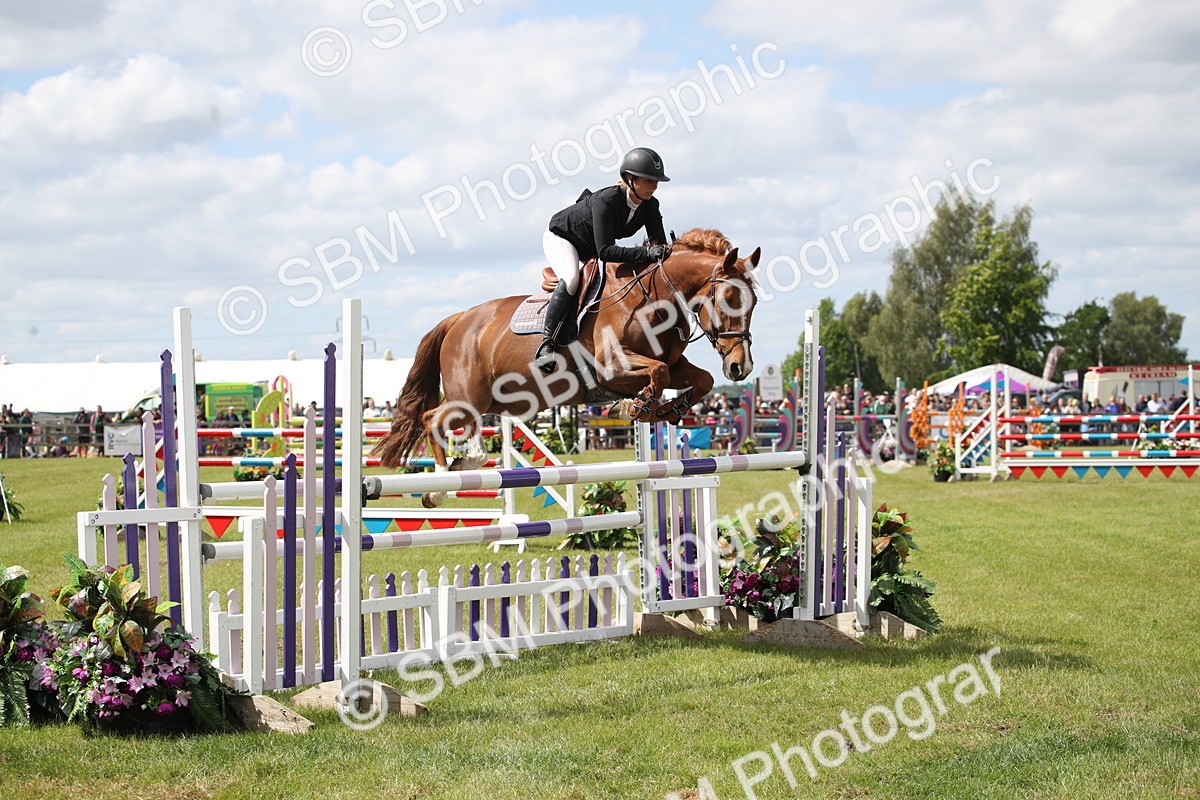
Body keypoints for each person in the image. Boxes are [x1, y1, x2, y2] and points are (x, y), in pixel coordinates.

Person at [535, 146, 671, 373]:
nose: (654, 186)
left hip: (591, 244)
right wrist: (647, 253)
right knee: (571, 279)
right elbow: (606, 251)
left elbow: (659, 245)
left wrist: (666, 253)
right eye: (648, 180)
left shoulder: (650, 205)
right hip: (563, 238)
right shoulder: (607, 201)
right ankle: (547, 345)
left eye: (656, 181)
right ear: (629, 179)